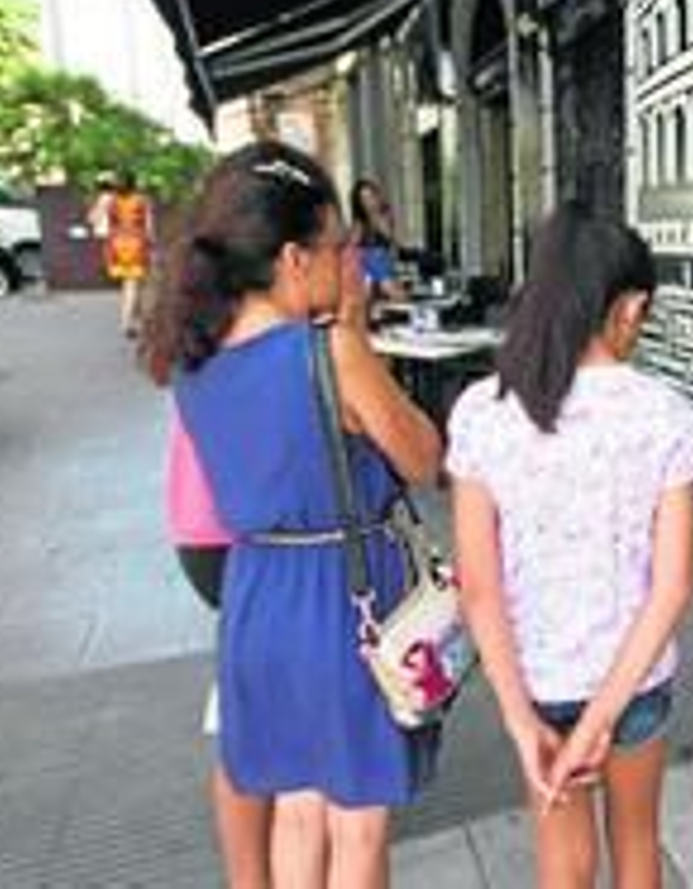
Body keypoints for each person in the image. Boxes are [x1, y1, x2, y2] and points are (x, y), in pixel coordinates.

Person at [143, 140, 444, 887]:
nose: (350, 262)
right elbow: (422, 455)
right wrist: (354, 334)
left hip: (257, 594)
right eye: (337, 246)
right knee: (358, 824)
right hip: (341, 598)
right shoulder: (326, 353)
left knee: (299, 806)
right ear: (291, 258)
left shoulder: (192, 360)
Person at [448, 204, 693, 889]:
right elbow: (674, 586)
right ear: (629, 309)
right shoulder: (665, 416)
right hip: (634, 685)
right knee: (636, 850)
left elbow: (477, 587)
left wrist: (518, 720)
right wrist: (603, 718)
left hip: (535, 686)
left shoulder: (482, 411)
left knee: (562, 868)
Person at [164, 416, 272, 889]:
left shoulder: (198, 343)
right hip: (251, 531)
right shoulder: (279, 341)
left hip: (203, 522)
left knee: (252, 706)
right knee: (260, 717)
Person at [99, 171, 155, 338]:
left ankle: (132, 320)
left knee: (129, 285)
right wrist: (152, 244)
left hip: (116, 245)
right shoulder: (143, 200)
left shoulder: (110, 200)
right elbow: (150, 227)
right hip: (136, 244)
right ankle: (128, 323)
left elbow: (94, 220)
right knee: (134, 285)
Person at [349, 179, 406, 303]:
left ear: (376, 196)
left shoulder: (385, 216)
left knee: (375, 255)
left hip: (382, 263)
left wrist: (375, 217)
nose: (368, 201)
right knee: (367, 256)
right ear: (359, 202)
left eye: (370, 196)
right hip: (366, 268)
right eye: (363, 198)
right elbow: (351, 249)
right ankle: (389, 291)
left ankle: (389, 290)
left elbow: (392, 243)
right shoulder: (358, 223)